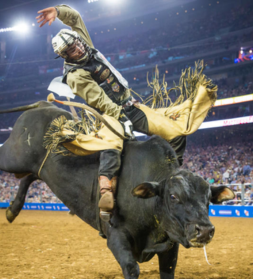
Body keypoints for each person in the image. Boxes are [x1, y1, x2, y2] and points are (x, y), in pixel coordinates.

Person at [37, 5, 217, 219]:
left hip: (130, 106)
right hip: (106, 116)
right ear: (65, 56)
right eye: (72, 50)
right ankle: (105, 190)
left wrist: (58, 12)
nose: (78, 49)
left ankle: (173, 175)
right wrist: (121, 117)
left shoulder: (85, 44)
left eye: (76, 43)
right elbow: (101, 101)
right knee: (112, 146)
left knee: (176, 132)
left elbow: (75, 19)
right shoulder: (75, 76)